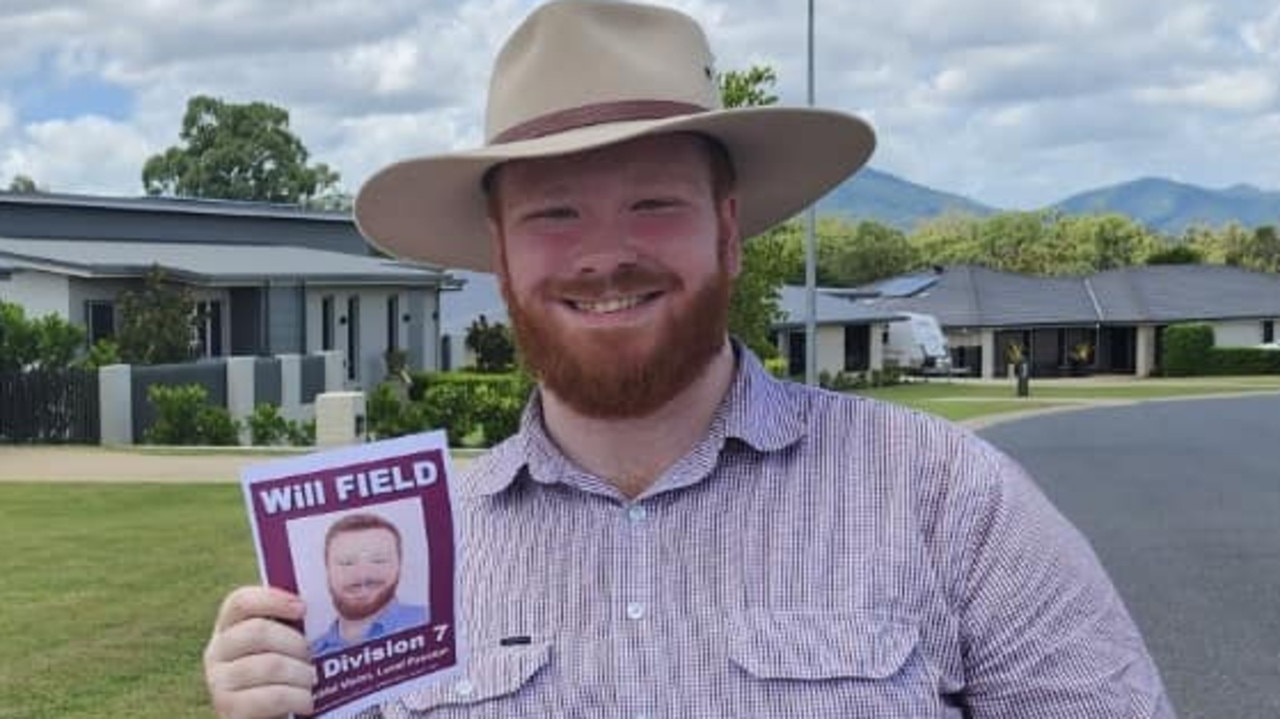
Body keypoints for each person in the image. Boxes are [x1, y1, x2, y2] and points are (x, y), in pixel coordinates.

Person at [204, 1, 1176, 717]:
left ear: (726, 230)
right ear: (499, 257)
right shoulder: (418, 547)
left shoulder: (942, 494)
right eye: (553, 213)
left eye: (651, 203)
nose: (602, 253)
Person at [308, 512, 428, 656]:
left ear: (399, 565)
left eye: (379, 560)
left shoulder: (430, 620)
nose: (362, 575)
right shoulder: (310, 655)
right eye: (346, 563)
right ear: (328, 571)